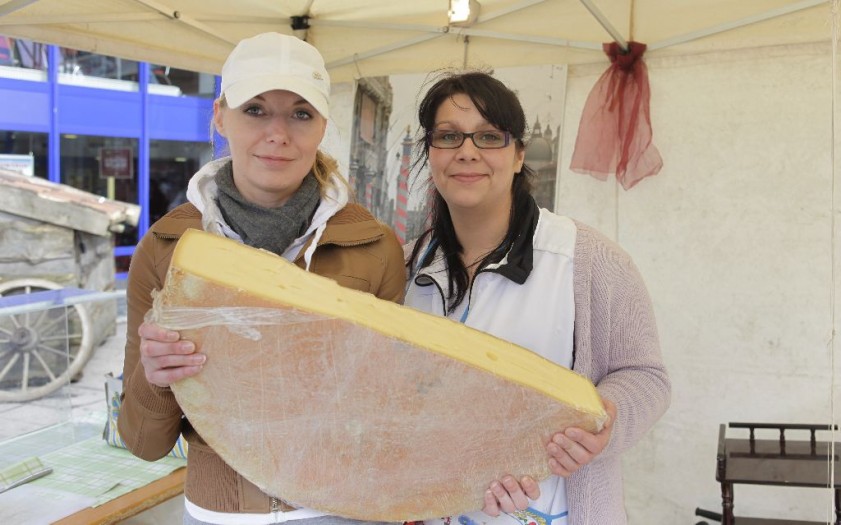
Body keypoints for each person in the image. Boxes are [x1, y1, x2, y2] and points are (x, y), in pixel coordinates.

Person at [117, 32, 405, 525]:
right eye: (255, 110)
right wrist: (154, 375)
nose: (278, 133)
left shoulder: (375, 247)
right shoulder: (166, 249)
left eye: (301, 113)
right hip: (218, 514)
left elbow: (393, 414)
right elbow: (143, 443)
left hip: (342, 508)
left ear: (322, 126)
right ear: (220, 116)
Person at [403, 71, 671, 525]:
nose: (467, 151)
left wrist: (606, 419)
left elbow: (646, 376)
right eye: (448, 136)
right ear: (430, 152)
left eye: (489, 136)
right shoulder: (406, 266)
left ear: (518, 154)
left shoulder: (589, 260)